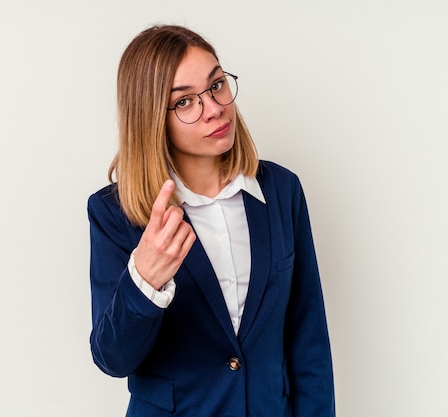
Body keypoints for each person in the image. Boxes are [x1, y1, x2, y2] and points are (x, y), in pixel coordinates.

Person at [87, 24, 335, 417]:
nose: (214, 108)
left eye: (216, 84)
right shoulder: (114, 213)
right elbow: (113, 359)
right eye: (184, 102)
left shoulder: (283, 191)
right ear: (151, 118)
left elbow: (308, 338)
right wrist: (145, 281)